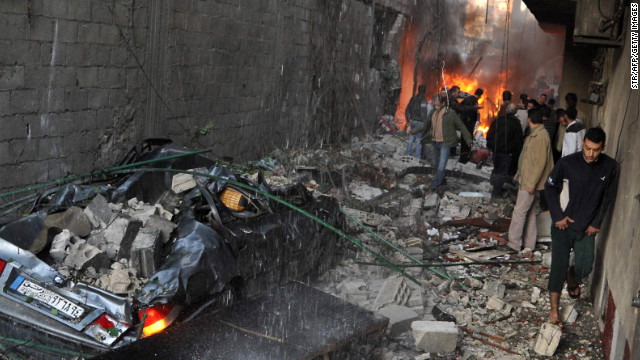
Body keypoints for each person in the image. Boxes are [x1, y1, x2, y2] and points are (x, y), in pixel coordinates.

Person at [544, 127, 617, 325]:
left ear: (603, 148)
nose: (590, 154)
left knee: (585, 266)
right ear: (583, 143)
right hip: (563, 226)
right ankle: (553, 311)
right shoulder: (567, 163)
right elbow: (549, 188)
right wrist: (558, 216)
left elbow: (607, 199)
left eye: (595, 150)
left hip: (587, 229)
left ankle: (573, 277)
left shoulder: (610, 167)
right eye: (587, 148)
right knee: (558, 267)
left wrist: (596, 223)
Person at [506, 108, 554, 255]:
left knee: (519, 212)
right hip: (527, 179)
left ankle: (514, 244)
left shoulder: (540, 137)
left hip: (529, 182)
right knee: (530, 212)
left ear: (529, 120)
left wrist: (531, 184)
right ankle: (529, 244)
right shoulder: (536, 134)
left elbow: (540, 163)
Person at [410, 93, 472, 191]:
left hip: (445, 143)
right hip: (435, 142)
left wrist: (468, 139)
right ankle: (442, 180)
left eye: (438, 104)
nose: (436, 107)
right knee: (436, 164)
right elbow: (425, 125)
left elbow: (461, 126)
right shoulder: (433, 113)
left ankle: (434, 186)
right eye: (434, 105)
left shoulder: (450, 113)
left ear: (443, 103)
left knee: (441, 165)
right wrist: (412, 131)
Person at [486, 103, 523, 198]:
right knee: (502, 172)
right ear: (515, 112)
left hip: (496, 150)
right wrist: (518, 152)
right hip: (507, 153)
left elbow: (489, 135)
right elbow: (518, 140)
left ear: (507, 110)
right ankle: (496, 193)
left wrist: (490, 146)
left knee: (497, 169)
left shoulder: (498, 120)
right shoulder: (516, 123)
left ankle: (495, 187)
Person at [458, 88, 484, 163]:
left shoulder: (467, 99)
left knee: (464, 139)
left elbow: (460, 107)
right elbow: (472, 112)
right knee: (468, 140)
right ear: (480, 95)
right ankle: (464, 158)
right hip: (469, 123)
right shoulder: (474, 101)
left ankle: (462, 157)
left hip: (464, 122)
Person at [405, 85, 430, 158]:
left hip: (413, 121)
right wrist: (425, 122)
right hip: (420, 122)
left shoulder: (413, 98)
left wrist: (408, 119)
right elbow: (423, 112)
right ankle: (417, 156)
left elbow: (407, 109)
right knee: (419, 140)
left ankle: (408, 154)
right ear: (424, 91)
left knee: (411, 138)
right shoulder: (423, 100)